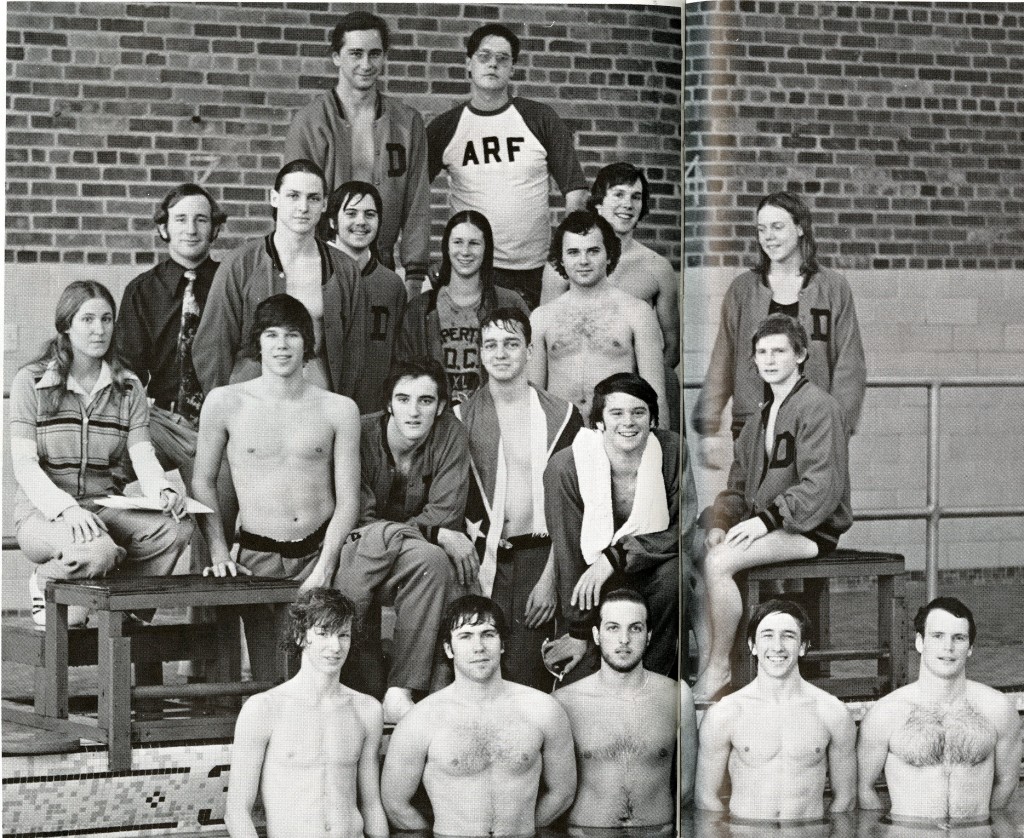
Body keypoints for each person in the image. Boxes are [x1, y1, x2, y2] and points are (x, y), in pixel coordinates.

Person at [192, 295, 360, 677]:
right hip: (256, 557)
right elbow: (201, 480)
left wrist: (327, 563)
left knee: (323, 673)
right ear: (257, 342)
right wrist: (218, 549)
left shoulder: (339, 409)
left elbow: (349, 498)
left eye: (292, 335)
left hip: (319, 552)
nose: (282, 345)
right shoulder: (225, 403)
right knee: (272, 678)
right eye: (271, 334)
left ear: (308, 344)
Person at [9, 281, 191, 627]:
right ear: (65, 325)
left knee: (175, 529)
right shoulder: (30, 381)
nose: (99, 329)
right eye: (88, 319)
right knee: (98, 552)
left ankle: (125, 608)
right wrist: (65, 508)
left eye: (107, 319)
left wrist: (163, 490)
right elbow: (24, 466)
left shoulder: (128, 387)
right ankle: (46, 580)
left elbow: (142, 455)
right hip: (42, 515)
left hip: (103, 508)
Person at [692, 314, 852, 702]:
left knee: (719, 563)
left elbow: (821, 487)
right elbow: (738, 485)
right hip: (771, 525)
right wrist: (722, 521)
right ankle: (711, 663)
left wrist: (764, 522)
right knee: (696, 552)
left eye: (779, 350)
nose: (769, 359)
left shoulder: (819, 407)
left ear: (800, 355)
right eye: (761, 351)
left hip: (812, 529)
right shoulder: (758, 418)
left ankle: (720, 668)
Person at [321, 358, 474, 723]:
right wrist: (436, 534)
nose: (414, 411)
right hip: (358, 548)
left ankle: (401, 689)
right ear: (389, 403)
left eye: (425, 401)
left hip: (407, 554)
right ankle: (347, 684)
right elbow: (358, 516)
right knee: (371, 550)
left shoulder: (451, 434)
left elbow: (444, 512)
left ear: (440, 407)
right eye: (403, 399)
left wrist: (434, 532)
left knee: (432, 561)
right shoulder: (360, 433)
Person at [692, 191, 866, 470]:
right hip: (752, 425)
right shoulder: (743, 290)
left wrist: (836, 429)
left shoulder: (832, 289)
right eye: (761, 229)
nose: (768, 237)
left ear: (799, 228)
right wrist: (707, 426)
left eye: (777, 227)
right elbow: (722, 360)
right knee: (754, 509)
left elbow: (849, 366)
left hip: (813, 429)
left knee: (810, 507)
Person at [458, 307, 584, 689]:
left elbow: (577, 506)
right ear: (480, 353)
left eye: (512, 344)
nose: (501, 354)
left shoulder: (563, 415)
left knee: (530, 676)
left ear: (530, 350)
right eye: (491, 345)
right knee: (480, 672)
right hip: (485, 560)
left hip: (542, 559)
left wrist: (551, 577)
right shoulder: (461, 416)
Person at [381, 595, 577, 836]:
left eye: (488, 634)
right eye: (465, 636)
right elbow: (395, 804)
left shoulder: (543, 709)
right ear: (448, 649)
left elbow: (563, 792)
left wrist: (524, 831)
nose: (479, 647)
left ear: (502, 644)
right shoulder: (420, 719)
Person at [427, 23, 588, 310]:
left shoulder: (539, 118)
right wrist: (422, 257)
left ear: (512, 67)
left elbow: (575, 190)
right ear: (469, 64)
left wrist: (564, 256)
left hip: (536, 270)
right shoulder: (446, 127)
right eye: (484, 56)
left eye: (503, 59)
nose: (493, 64)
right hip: (472, 269)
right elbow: (410, 194)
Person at [116, 183, 233, 572]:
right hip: (164, 420)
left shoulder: (230, 281)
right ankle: (128, 605)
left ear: (214, 228)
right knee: (104, 472)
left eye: (201, 219)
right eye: (180, 219)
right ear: (164, 227)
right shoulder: (141, 290)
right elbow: (126, 367)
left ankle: (210, 622)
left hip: (220, 423)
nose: (190, 228)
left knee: (218, 515)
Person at [541, 373, 680, 685]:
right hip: (590, 577)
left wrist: (617, 557)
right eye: (616, 413)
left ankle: (653, 678)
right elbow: (568, 548)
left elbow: (681, 531)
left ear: (653, 420)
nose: (628, 422)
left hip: (650, 567)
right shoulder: (566, 467)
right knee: (581, 680)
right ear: (599, 423)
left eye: (639, 412)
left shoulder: (672, 452)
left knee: (678, 573)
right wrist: (577, 630)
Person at [192, 159, 364, 400]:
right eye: (293, 196)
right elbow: (213, 345)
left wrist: (341, 406)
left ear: (325, 204)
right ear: (275, 198)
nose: (303, 207)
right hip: (254, 401)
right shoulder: (241, 264)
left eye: (313, 198)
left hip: (318, 398)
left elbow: (355, 351)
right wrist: (226, 407)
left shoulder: (344, 269)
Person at [284, 11, 429, 295]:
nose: (366, 64)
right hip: (322, 262)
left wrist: (414, 276)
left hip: (382, 264)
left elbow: (417, 203)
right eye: (355, 53)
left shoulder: (406, 122)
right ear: (336, 57)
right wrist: (298, 266)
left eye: (375, 54)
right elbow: (294, 204)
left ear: (385, 57)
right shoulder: (311, 122)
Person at [225, 587, 388, 838]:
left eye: (343, 635)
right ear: (300, 636)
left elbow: (371, 805)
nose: (335, 646)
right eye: (323, 633)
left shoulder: (367, 710)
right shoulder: (264, 709)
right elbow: (237, 811)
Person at [858, 597, 1022, 823]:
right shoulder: (886, 714)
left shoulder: (998, 710)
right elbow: (864, 790)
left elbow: (1007, 783)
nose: (948, 648)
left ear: (971, 648)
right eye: (937, 636)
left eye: (959, 638)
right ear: (919, 642)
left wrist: (982, 829)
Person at [695, 600, 857, 822]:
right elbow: (706, 799)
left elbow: (845, 801)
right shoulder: (726, 713)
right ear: (752, 645)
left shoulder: (832, 713)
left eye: (788, 636)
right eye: (767, 635)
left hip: (807, 832)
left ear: (803, 646)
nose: (777, 647)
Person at [529, 210, 669, 425]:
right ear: (562, 259)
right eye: (573, 252)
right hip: (560, 434)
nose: (583, 260)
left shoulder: (637, 313)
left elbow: (655, 395)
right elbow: (533, 397)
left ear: (609, 254)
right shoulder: (541, 318)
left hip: (618, 431)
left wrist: (657, 451)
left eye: (593, 251)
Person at [554, 589, 677, 831]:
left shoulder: (675, 696)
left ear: (649, 635)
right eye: (613, 628)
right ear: (596, 635)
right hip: (587, 833)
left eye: (635, 628)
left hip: (656, 833)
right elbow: (555, 790)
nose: (624, 640)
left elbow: (686, 789)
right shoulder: (564, 702)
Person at [398, 210, 529, 406]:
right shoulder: (420, 309)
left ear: (486, 249)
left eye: (474, 243)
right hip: (437, 419)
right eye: (458, 242)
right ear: (447, 248)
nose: (465, 251)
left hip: (494, 415)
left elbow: (528, 366)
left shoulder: (509, 303)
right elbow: (404, 373)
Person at [325, 179, 407, 413]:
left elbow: (397, 355)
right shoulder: (318, 274)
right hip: (323, 409)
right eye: (351, 213)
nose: (361, 222)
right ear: (332, 221)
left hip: (374, 410)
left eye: (369, 214)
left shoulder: (392, 285)